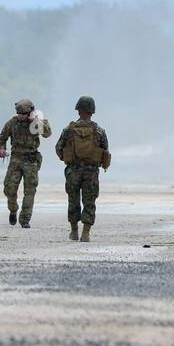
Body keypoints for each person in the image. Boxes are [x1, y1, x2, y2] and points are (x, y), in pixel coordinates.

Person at [55, 96, 110, 242]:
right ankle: (85, 233)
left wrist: (68, 159)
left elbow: (58, 148)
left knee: (73, 200)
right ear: (92, 111)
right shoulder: (99, 131)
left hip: (73, 170)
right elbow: (105, 151)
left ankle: (74, 231)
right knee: (89, 201)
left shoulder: (68, 130)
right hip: (91, 172)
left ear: (78, 110)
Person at [0, 99, 52, 227]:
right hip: (16, 159)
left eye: (23, 114)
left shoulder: (37, 122)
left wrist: (35, 121)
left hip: (31, 160)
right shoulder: (12, 123)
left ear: (29, 112)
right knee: (9, 189)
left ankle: (25, 219)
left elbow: (47, 134)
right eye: (19, 114)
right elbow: (2, 139)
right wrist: (1, 149)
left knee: (30, 191)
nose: (20, 116)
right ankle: (13, 209)